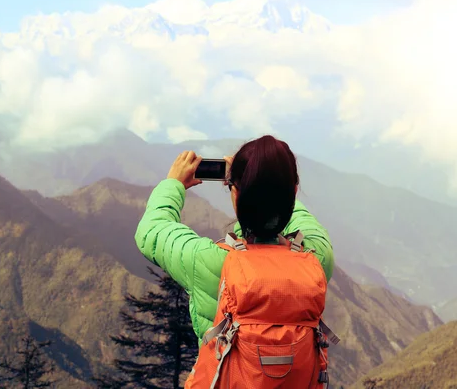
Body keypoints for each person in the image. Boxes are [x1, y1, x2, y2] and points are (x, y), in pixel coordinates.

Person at [134, 135, 334, 346]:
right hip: (297, 380)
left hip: (231, 379)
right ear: (293, 193)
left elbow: (151, 230)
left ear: (235, 193)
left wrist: (173, 184)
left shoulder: (209, 261)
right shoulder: (316, 258)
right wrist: (267, 183)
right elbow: (302, 219)